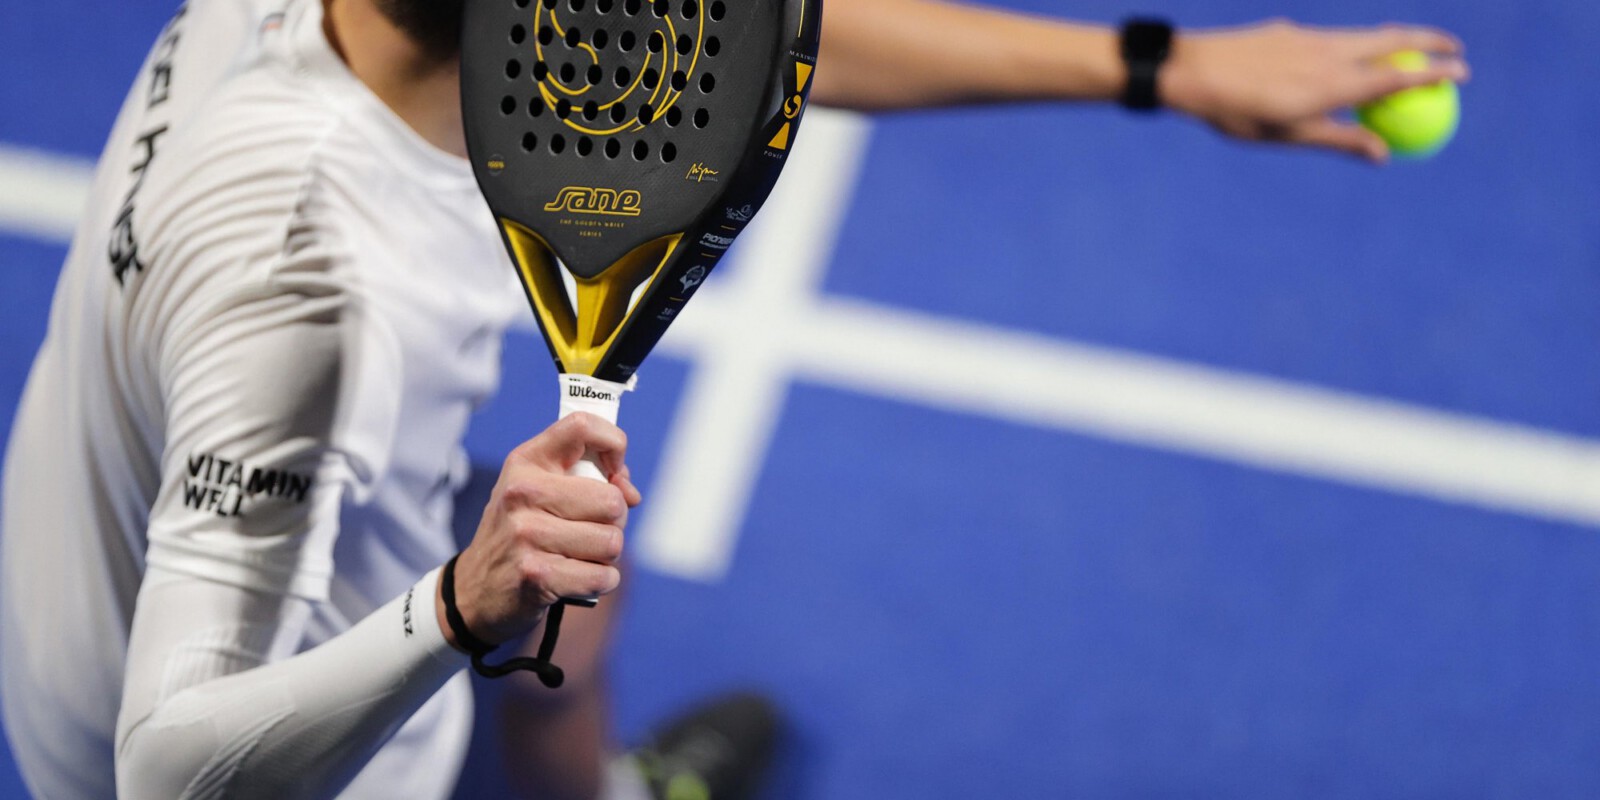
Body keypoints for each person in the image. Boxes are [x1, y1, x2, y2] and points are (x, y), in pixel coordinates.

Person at [0, 0, 1467, 798]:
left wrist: (1158, 65)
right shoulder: (323, 298)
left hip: (84, 573)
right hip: (208, 753)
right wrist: (456, 604)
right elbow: (168, 773)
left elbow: (753, 37)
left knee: (582, 601)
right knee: (530, 587)